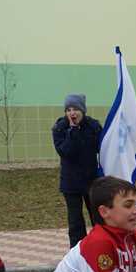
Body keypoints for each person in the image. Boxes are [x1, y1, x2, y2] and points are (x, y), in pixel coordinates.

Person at [51, 94, 102, 248]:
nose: (72, 113)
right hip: (71, 182)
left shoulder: (93, 126)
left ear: (83, 110)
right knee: (75, 221)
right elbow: (65, 152)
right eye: (68, 110)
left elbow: (104, 147)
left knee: (97, 216)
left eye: (76, 109)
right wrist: (72, 132)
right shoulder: (60, 128)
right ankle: (77, 251)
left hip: (91, 180)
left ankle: (100, 245)